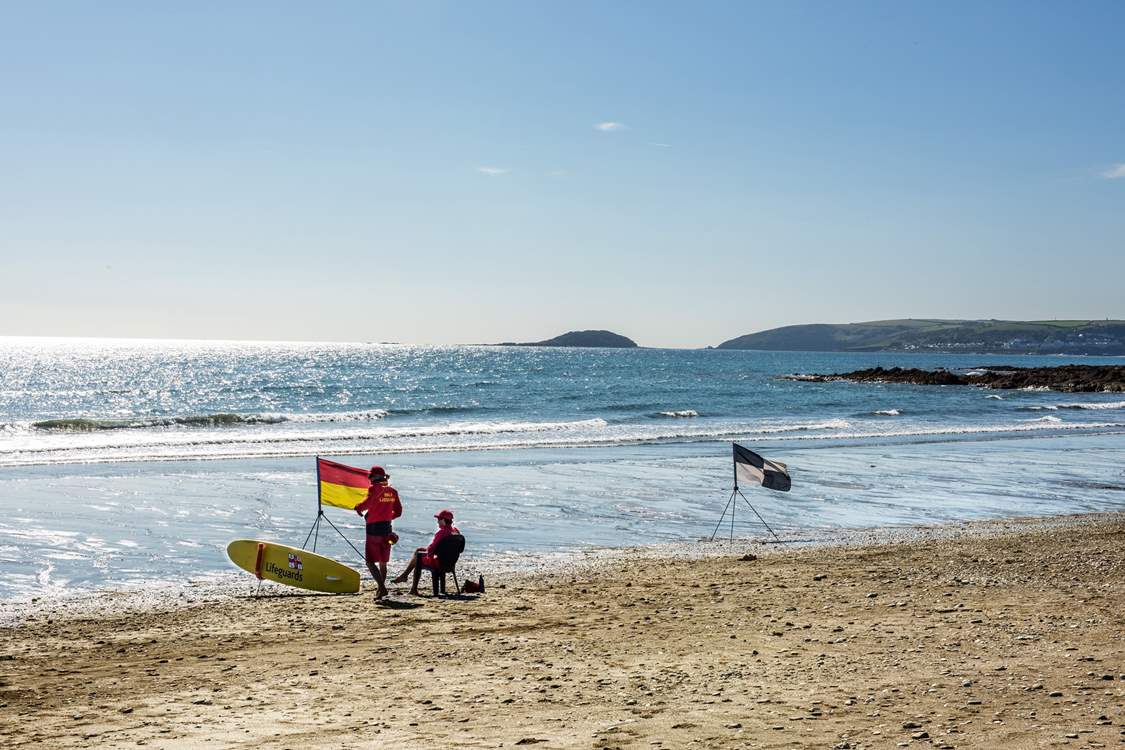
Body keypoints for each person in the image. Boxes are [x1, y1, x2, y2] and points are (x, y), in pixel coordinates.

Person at [354, 465, 402, 600]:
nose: (369, 479)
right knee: (382, 562)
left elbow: (367, 503)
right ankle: (380, 591)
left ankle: (382, 588)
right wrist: (387, 516)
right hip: (387, 529)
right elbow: (398, 512)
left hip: (374, 529)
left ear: (375, 476)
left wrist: (358, 508)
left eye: (370, 476)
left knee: (370, 562)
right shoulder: (392, 491)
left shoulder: (373, 488)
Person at [392, 509, 459, 595]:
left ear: (443, 520)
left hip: (438, 562)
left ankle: (412, 587)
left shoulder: (441, 532)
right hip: (450, 562)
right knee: (419, 551)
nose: (437, 522)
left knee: (418, 557)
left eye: (438, 519)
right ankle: (404, 576)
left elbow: (431, 549)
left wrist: (428, 551)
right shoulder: (455, 531)